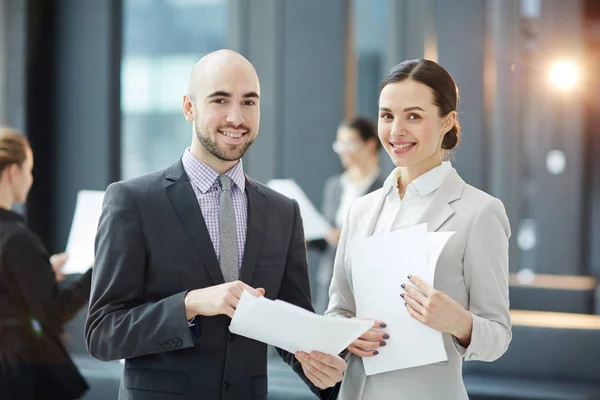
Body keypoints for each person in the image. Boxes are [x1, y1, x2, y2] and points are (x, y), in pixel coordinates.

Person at [85, 50, 346, 400]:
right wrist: (191, 303)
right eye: (220, 100)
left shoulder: (283, 212)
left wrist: (319, 367)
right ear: (189, 107)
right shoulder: (133, 201)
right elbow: (104, 332)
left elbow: (290, 323)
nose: (236, 117)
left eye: (249, 102)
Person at [325, 59, 512, 399]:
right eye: (387, 116)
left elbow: (498, 335)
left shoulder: (479, 212)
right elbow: (338, 309)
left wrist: (460, 323)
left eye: (413, 116)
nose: (396, 130)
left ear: (447, 121)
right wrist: (346, 332)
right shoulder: (360, 211)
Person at [0, 127, 92, 400]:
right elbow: (53, 312)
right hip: (20, 374)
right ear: (13, 172)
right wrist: (98, 271)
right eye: (29, 170)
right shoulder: (17, 240)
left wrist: (41, 273)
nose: (30, 179)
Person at [311, 117, 385, 313]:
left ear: (370, 144)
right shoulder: (335, 186)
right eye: (340, 144)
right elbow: (327, 239)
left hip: (366, 284)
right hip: (330, 281)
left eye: (350, 143)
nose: (343, 150)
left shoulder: (386, 188)